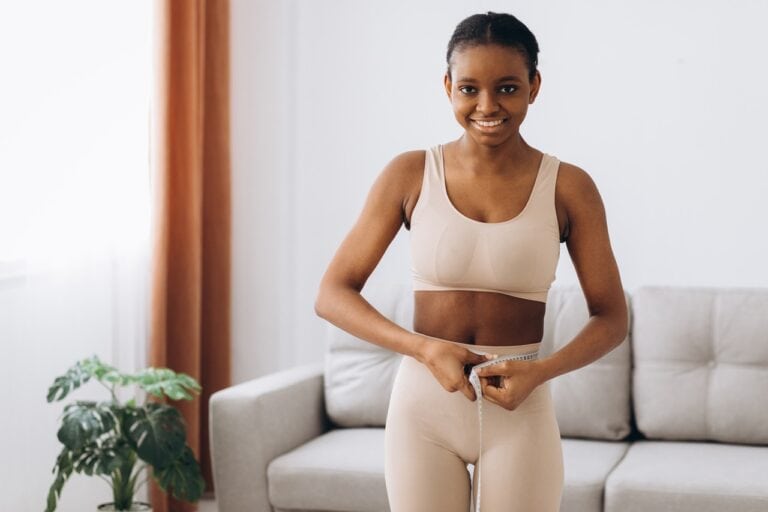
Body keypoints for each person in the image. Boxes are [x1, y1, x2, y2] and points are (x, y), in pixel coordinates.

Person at [314, 11, 628, 512]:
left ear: (534, 86)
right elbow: (332, 294)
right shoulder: (410, 174)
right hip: (423, 405)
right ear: (447, 87)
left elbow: (612, 318)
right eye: (469, 89)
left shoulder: (570, 187)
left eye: (507, 88)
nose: (487, 106)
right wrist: (422, 348)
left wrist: (542, 371)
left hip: (519, 404)